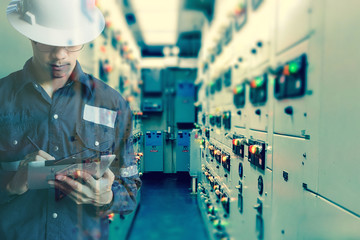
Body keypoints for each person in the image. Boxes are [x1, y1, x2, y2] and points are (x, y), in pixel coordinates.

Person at [0, 0, 141, 239]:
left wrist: (106, 197)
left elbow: (130, 191)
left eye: (71, 43)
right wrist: (11, 184)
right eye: (48, 42)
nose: (59, 55)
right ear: (31, 36)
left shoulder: (112, 104)